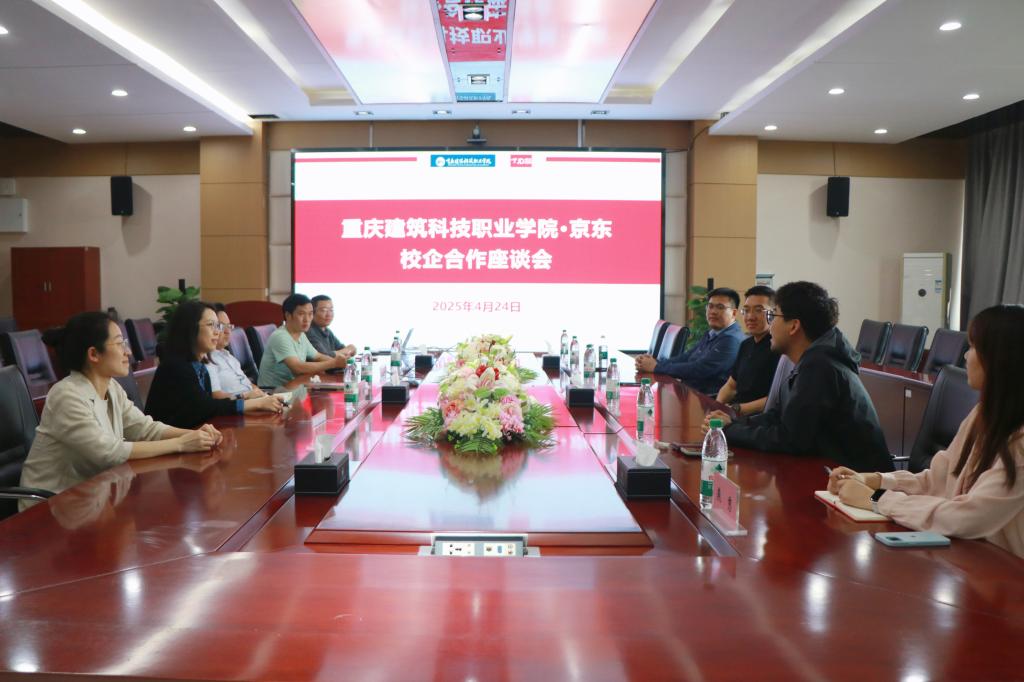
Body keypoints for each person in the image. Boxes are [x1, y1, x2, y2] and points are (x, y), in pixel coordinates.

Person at [829, 304, 1024, 557]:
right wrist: (877, 480)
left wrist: (875, 498)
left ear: (1001, 359)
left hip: (1004, 571)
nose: (966, 357)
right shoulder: (983, 414)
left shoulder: (1019, 443)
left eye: (974, 348)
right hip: (968, 558)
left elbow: (965, 518)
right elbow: (938, 479)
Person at [19, 311, 222, 511]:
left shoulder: (112, 387)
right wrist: (181, 444)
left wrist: (195, 435)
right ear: (93, 354)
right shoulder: (66, 395)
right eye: (119, 344)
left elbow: (145, 428)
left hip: (90, 498)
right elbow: (109, 453)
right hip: (50, 507)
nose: (129, 352)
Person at [706, 281, 892, 472]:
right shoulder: (810, 360)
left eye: (773, 315)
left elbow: (789, 439)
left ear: (794, 326)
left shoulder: (821, 367)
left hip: (860, 485)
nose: (770, 325)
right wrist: (734, 423)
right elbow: (779, 417)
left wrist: (729, 431)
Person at [146, 301, 284, 428]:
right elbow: (206, 407)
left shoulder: (200, 366)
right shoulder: (176, 367)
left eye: (217, 326)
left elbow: (208, 406)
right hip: (167, 440)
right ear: (190, 328)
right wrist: (257, 404)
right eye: (211, 325)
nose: (218, 332)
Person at [634, 287, 746, 394]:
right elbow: (686, 357)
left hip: (707, 399)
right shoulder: (713, 333)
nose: (713, 311)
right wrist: (655, 363)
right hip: (690, 392)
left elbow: (700, 369)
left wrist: (656, 367)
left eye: (720, 307)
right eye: (710, 306)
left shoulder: (731, 340)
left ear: (734, 313)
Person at [257, 293, 347, 389]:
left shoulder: (301, 334)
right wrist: (333, 363)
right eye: (301, 314)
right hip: (273, 391)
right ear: (288, 315)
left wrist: (342, 364)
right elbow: (298, 368)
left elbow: (318, 356)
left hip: (293, 387)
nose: (307, 319)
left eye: (310, 314)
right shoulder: (280, 336)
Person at [715, 285, 779, 417]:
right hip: (735, 413)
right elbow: (731, 386)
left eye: (758, 310)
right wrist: (716, 406)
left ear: (773, 314)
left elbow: (777, 398)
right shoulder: (746, 344)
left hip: (757, 418)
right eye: (746, 310)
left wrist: (737, 409)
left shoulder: (778, 347)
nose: (750, 317)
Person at [207, 304, 265, 400]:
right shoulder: (207, 359)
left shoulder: (229, 356)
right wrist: (246, 396)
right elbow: (216, 397)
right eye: (221, 326)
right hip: (241, 405)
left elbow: (249, 385)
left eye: (229, 326)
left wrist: (264, 396)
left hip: (255, 401)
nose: (228, 331)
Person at [307, 295, 357, 359]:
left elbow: (343, 349)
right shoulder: (309, 331)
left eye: (331, 310)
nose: (329, 314)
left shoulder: (327, 331)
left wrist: (349, 349)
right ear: (312, 313)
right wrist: (346, 351)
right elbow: (323, 356)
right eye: (324, 310)